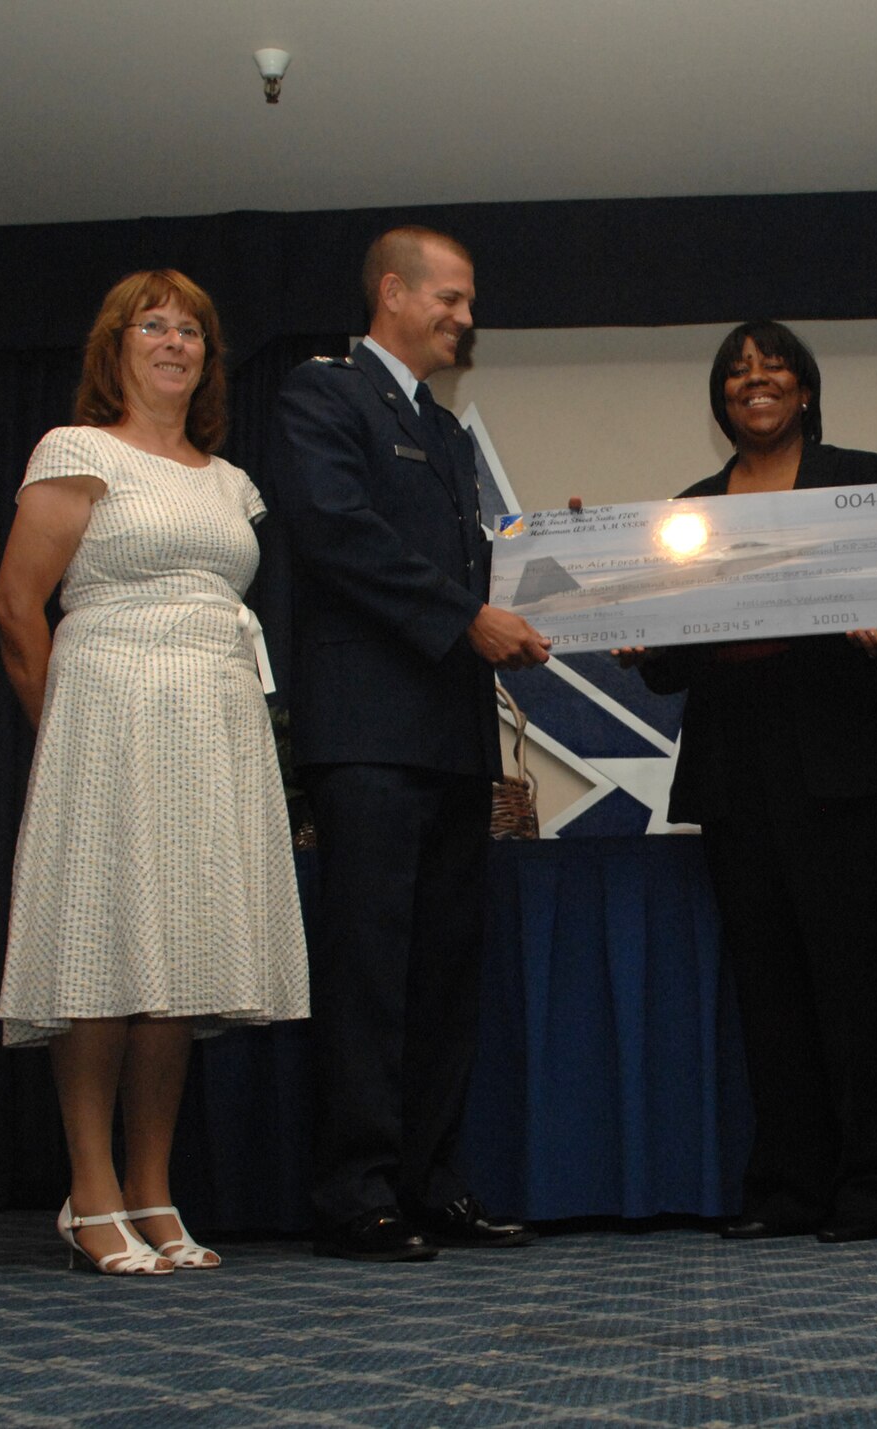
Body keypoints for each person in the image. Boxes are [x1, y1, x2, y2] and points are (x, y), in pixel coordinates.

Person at [0, 270, 308, 1275]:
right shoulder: (77, 452)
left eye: (192, 331)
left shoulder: (226, 480)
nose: (173, 342)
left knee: (173, 964)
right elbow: (13, 606)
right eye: (152, 326)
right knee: (102, 951)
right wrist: (65, 737)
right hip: (107, 715)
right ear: (114, 347)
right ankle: (90, 1196)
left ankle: (153, 1192)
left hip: (213, 723)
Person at [270, 226, 550, 1262]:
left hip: (448, 739)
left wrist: (557, 570)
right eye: (450, 298)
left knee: (442, 975)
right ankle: (356, 1192)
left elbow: (474, 569)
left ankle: (430, 1180)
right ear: (391, 292)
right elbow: (341, 534)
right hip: (368, 736)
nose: (463, 318)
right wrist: (467, 618)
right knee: (368, 970)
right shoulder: (322, 397)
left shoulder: (444, 431)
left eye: (467, 302)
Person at [630, 321, 877, 1244]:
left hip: (845, 763)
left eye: (773, 370)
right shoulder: (691, 505)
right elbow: (667, 670)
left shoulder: (860, 477)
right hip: (737, 771)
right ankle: (789, 1188)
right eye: (736, 374)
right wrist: (635, 629)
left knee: (862, 986)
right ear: (721, 400)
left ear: (805, 388)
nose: (754, 383)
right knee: (770, 993)